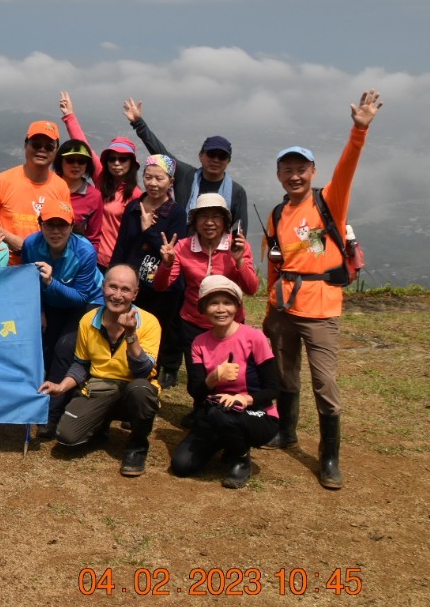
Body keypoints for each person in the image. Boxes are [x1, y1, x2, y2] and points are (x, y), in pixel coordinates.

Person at [260, 90, 384, 490]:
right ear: (279, 175)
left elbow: (348, 167)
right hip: (283, 308)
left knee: (324, 383)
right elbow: (275, 265)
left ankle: (329, 458)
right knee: (285, 374)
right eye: (287, 170)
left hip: (322, 308)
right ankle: (288, 431)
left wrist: (359, 130)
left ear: (313, 172)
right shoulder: (279, 213)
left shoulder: (329, 201)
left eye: (301, 169)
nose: (294, 176)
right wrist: (270, 306)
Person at [43, 265, 161, 477]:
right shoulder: (88, 320)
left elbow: (143, 370)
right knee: (66, 437)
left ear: (135, 293)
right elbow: (81, 364)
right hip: (100, 388)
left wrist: (131, 334)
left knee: (141, 389)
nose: (117, 295)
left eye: (125, 289)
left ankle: (137, 446)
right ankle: (99, 424)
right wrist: (61, 386)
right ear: (102, 286)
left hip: (133, 390)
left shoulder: (150, 322)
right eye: (112, 287)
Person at [153, 193, 259, 423]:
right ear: (194, 221)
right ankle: (201, 407)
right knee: (197, 375)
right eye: (203, 217)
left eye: (215, 217)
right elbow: (161, 285)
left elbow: (251, 288)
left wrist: (240, 261)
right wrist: (166, 263)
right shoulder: (182, 247)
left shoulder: (237, 246)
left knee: (230, 373)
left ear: (225, 222)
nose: (209, 223)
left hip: (230, 324)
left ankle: (227, 413)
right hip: (193, 321)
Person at [170, 276, 280, 489]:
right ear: (203, 308)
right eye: (213, 303)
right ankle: (225, 441)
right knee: (181, 465)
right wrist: (214, 377)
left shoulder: (254, 337)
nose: (221, 309)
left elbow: (273, 388)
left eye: (227, 303)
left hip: (257, 414)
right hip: (215, 413)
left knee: (220, 414)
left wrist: (244, 399)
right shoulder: (199, 343)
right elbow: (196, 391)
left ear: (237, 307)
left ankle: (241, 458)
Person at [21, 200, 104, 439]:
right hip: (52, 302)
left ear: (72, 227)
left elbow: (80, 297)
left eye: (62, 226)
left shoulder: (85, 250)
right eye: (50, 225)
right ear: (40, 225)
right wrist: (39, 310)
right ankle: (36, 401)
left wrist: (50, 282)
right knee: (44, 346)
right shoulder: (31, 244)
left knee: (65, 347)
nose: (56, 231)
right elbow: (27, 281)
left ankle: (51, 416)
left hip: (87, 302)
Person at [110, 153, 187, 388]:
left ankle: (150, 380)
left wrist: (149, 231)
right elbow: (122, 244)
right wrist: (113, 273)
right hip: (135, 283)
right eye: (148, 177)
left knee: (157, 331)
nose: (153, 183)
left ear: (171, 182)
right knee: (132, 327)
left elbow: (171, 252)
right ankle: (128, 374)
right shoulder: (134, 206)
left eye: (160, 178)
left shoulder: (176, 213)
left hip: (162, 286)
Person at [123, 97, 249, 232]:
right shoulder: (186, 175)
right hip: (182, 248)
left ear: (228, 161)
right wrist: (138, 123)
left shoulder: (237, 192)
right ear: (200, 155)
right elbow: (160, 152)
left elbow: (239, 231)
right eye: (211, 154)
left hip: (217, 251)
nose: (216, 160)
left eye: (222, 156)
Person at [57, 91, 141, 268]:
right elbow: (84, 146)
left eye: (123, 159)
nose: (116, 163)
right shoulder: (101, 177)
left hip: (115, 262)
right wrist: (69, 116)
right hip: (89, 255)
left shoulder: (135, 195)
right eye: (112, 158)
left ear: (132, 163)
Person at [0, 121, 72, 266]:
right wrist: (10, 240)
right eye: (36, 144)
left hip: (44, 267)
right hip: (5, 264)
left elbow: (66, 225)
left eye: (49, 147)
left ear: (56, 151)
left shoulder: (61, 187)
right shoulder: (2, 181)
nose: (42, 150)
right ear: (26, 145)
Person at [56, 139, 103, 251]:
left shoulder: (94, 196)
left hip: (74, 257)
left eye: (81, 161)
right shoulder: (49, 187)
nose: (76, 165)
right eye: (70, 160)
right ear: (60, 161)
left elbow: (94, 238)